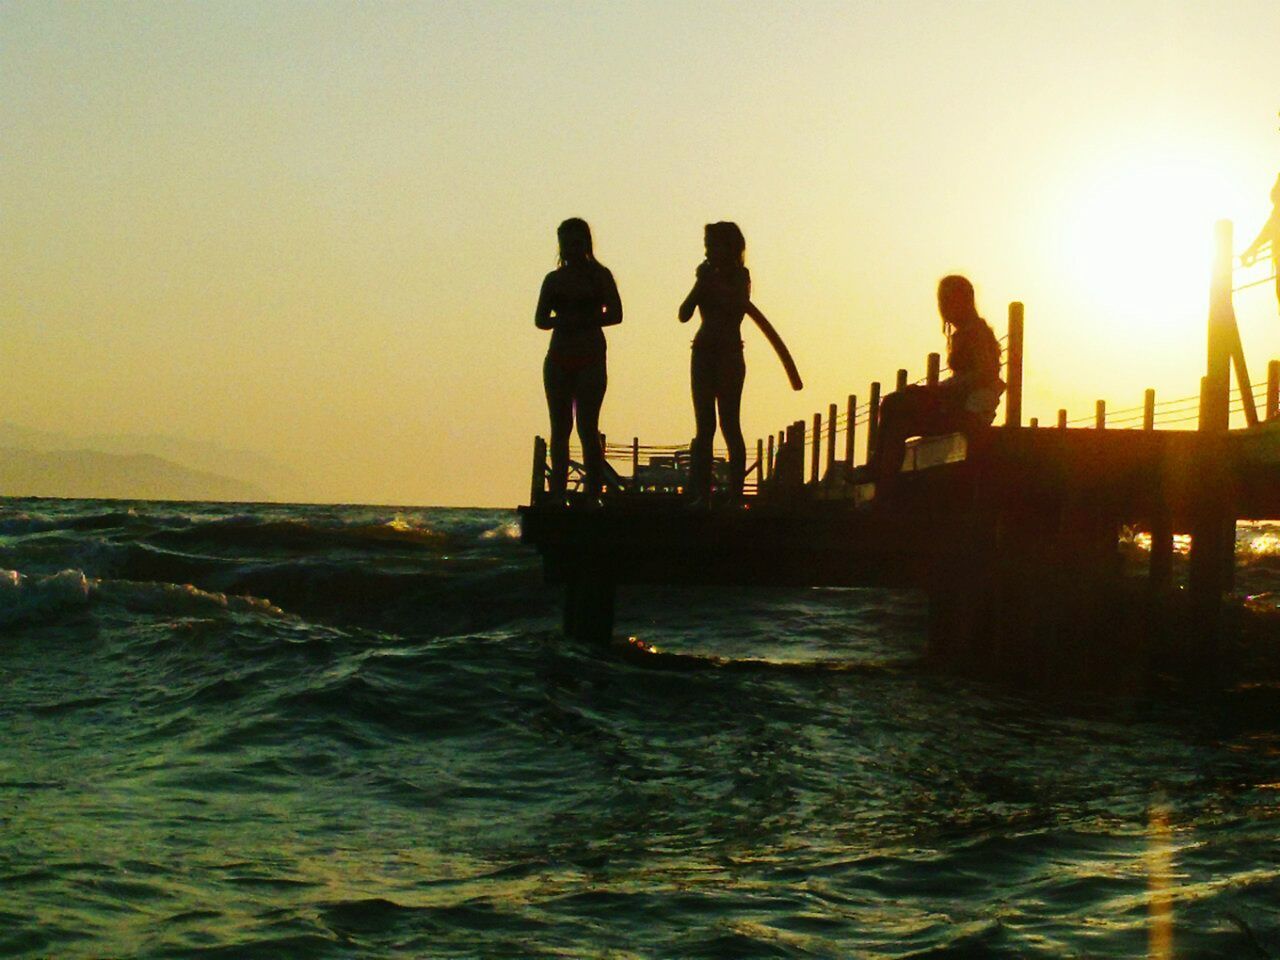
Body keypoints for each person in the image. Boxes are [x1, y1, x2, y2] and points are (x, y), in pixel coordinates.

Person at [871, 275, 1004, 484]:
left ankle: (876, 470)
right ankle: (884, 484)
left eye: (948, 300)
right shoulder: (965, 332)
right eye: (942, 300)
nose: (943, 306)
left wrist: (935, 391)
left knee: (893, 403)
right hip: (955, 405)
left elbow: (983, 375)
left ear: (963, 300)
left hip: (967, 412)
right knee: (898, 426)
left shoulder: (976, 332)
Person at [535, 218, 622, 499]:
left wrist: (584, 318)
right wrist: (561, 320)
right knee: (560, 429)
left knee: (587, 426)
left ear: (586, 243)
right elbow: (540, 319)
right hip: (559, 356)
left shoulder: (600, 276)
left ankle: (592, 494)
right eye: (565, 243)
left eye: (575, 242)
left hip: (591, 357)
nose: (570, 248)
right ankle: (559, 492)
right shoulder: (553, 279)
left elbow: (616, 314)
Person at [679, 222, 750, 504]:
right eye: (706, 244)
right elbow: (684, 313)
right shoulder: (705, 278)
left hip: (729, 354)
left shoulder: (740, 276)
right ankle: (702, 494)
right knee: (704, 426)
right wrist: (699, 284)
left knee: (730, 423)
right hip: (703, 352)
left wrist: (713, 282)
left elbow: (737, 307)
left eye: (712, 244)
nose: (707, 250)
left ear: (729, 247)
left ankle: (735, 495)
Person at [1241, 173, 1280, 311]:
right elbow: (1268, 231)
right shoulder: (1277, 213)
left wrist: (1251, 250)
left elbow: (1268, 231)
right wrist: (1251, 250)